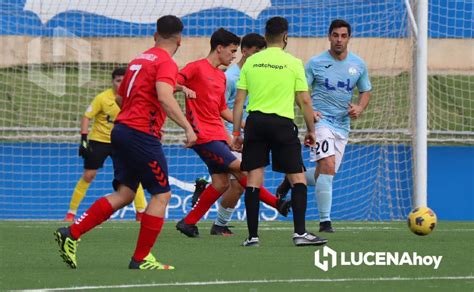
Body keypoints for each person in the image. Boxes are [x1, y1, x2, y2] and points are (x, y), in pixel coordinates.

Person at [54, 15, 197, 270]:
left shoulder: (138, 60)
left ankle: (71, 232)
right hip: (141, 134)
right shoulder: (167, 62)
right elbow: (163, 96)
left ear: (155, 36)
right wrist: (187, 127)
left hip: (120, 130)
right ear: (180, 40)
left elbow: (121, 100)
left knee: (125, 193)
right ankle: (141, 258)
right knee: (162, 195)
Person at [175, 28, 290, 238]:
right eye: (232, 50)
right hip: (204, 136)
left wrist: (245, 126)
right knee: (242, 171)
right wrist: (182, 88)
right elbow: (168, 83)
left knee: (221, 183)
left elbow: (222, 110)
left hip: (218, 135)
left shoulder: (221, 77)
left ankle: (188, 222)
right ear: (219, 48)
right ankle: (277, 203)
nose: (234, 55)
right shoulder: (196, 68)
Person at [232, 16, 328, 247]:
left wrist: (236, 134)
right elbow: (304, 101)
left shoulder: (252, 62)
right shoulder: (293, 63)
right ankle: (300, 233)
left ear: (265, 37)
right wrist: (311, 130)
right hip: (282, 125)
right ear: (285, 37)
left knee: (254, 179)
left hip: (255, 123)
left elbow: (238, 102)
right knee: (297, 179)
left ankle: (253, 236)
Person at [276, 19, 372, 233]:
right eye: (335, 35)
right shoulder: (315, 63)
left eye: (343, 36)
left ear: (349, 38)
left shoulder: (358, 65)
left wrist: (360, 107)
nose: (339, 40)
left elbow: (366, 90)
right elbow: (299, 90)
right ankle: (325, 222)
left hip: (342, 125)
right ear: (329, 37)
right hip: (321, 123)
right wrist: (310, 112)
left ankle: (291, 180)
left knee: (324, 173)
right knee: (327, 166)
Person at [64, 68, 147, 222]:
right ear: (112, 81)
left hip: (122, 141)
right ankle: (71, 213)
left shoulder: (131, 97)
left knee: (133, 175)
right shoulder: (102, 98)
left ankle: (141, 212)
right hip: (100, 140)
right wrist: (84, 138)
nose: (120, 83)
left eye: (123, 80)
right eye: (117, 80)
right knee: (89, 175)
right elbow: (87, 116)